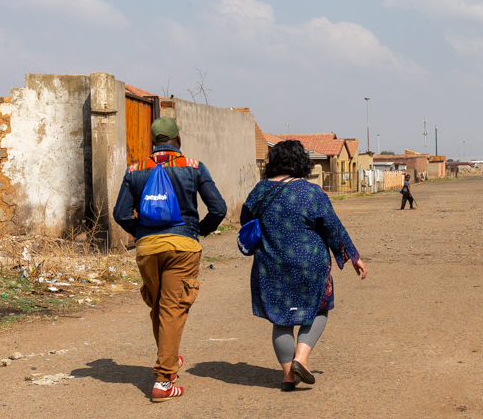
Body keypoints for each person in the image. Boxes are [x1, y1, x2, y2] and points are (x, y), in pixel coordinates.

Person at [113, 117, 227, 402]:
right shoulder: (193, 167)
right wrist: (199, 230)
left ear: (152, 141)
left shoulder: (135, 170)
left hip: (147, 249)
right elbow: (219, 208)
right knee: (172, 308)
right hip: (182, 246)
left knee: (160, 307)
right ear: (178, 139)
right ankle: (164, 381)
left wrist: (139, 232)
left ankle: (169, 356)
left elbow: (120, 214)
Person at [240, 140, 368, 391]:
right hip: (311, 265)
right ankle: (301, 358)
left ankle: (288, 376)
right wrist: (353, 256)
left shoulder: (258, 191)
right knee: (319, 310)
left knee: (281, 319)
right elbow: (333, 228)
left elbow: (246, 221)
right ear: (302, 162)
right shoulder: (312, 192)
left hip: (271, 265)